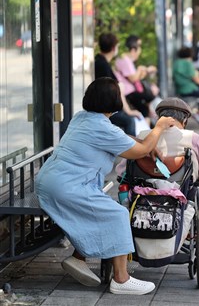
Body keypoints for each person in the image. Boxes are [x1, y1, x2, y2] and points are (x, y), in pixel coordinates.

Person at [35, 77, 175, 295]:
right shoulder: (101, 127)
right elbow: (136, 150)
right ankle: (121, 279)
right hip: (67, 186)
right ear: (114, 101)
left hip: (51, 181)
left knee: (99, 210)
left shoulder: (83, 117)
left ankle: (78, 258)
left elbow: (121, 138)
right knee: (117, 214)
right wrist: (158, 128)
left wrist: (143, 144)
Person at [116, 97, 199, 186]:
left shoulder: (142, 136)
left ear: (159, 118)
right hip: (181, 189)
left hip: (143, 188)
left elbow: (121, 171)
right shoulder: (193, 137)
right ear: (184, 121)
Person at [95, 33, 142, 136]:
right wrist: (128, 111)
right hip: (104, 109)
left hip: (103, 107)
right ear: (113, 48)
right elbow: (117, 88)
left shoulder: (100, 61)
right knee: (129, 120)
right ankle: (131, 150)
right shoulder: (103, 65)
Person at [114, 35, 157, 123]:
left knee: (147, 103)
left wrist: (144, 71)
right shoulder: (124, 59)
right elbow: (133, 78)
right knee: (146, 104)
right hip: (128, 91)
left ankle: (147, 129)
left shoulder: (125, 59)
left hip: (129, 91)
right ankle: (146, 132)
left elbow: (135, 77)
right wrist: (140, 69)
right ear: (133, 50)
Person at [173, 46, 199, 126]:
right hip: (189, 89)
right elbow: (196, 78)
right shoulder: (187, 63)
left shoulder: (176, 63)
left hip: (181, 89)